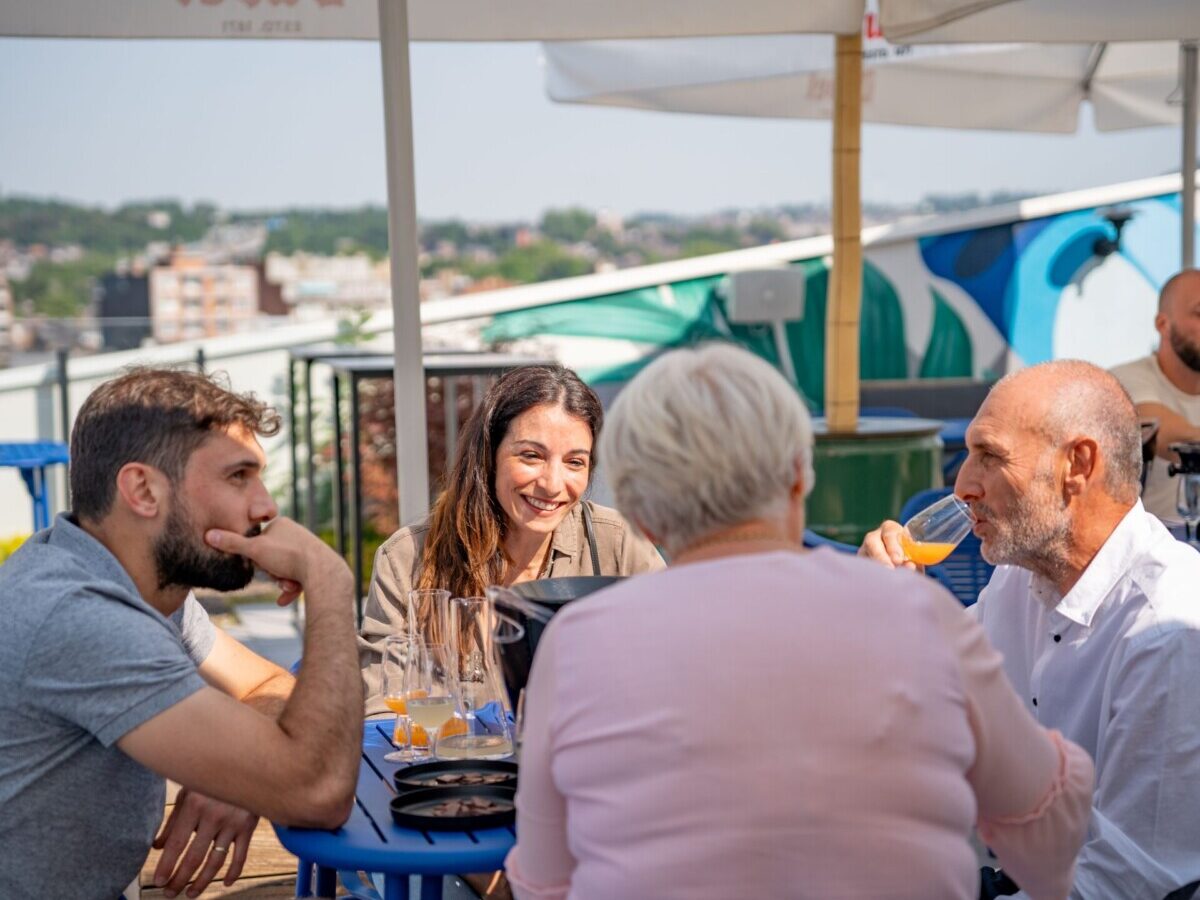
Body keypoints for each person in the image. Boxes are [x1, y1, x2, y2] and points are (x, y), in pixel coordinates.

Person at [506, 344, 1093, 900]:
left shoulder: (578, 643)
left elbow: (543, 883)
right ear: (797, 476)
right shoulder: (919, 616)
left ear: (638, 515)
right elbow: (1049, 839)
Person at [0, 368, 362, 900]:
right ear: (143, 490)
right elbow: (318, 791)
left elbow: (266, 684)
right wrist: (331, 582)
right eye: (239, 477)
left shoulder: (136, 587)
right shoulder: (79, 615)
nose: (265, 508)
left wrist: (242, 772)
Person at [861, 360, 1200, 899]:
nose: (962, 485)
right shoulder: (1022, 580)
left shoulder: (1166, 629)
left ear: (1077, 465)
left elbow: (1131, 882)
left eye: (989, 457)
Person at [358, 364, 662, 715]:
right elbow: (382, 709)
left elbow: (676, 668)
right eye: (531, 456)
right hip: (452, 768)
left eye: (574, 462)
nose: (552, 483)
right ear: (489, 455)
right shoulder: (406, 558)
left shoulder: (621, 547)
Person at [1111, 268, 1200, 522]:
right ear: (1163, 324)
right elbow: (1166, 439)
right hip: (1144, 554)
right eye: (1199, 313)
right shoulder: (1123, 381)